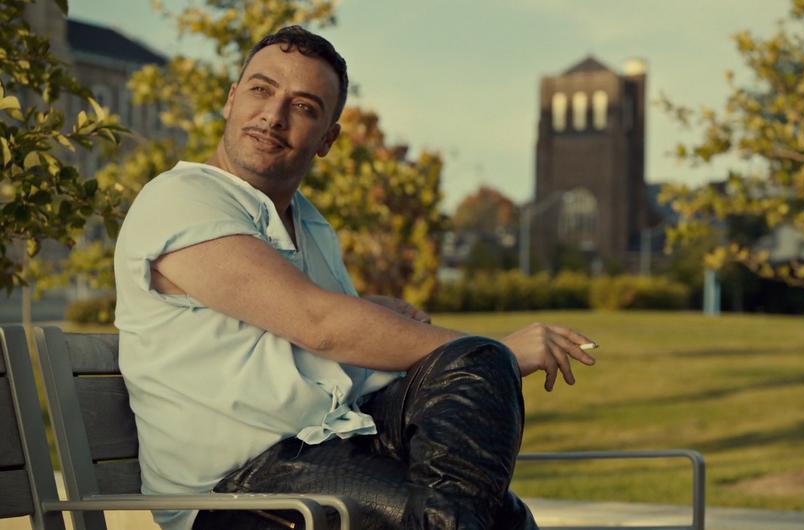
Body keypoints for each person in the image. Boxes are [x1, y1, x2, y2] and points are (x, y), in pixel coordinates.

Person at [114, 25, 596, 530]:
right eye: (261, 89)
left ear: (327, 138)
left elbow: (314, 331)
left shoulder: (309, 224)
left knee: (490, 465)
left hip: (325, 442)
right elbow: (318, 323)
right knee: (484, 389)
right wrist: (499, 352)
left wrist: (374, 314)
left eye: (303, 107)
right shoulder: (180, 197)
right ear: (232, 100)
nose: (273, 116)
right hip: (234, 489)